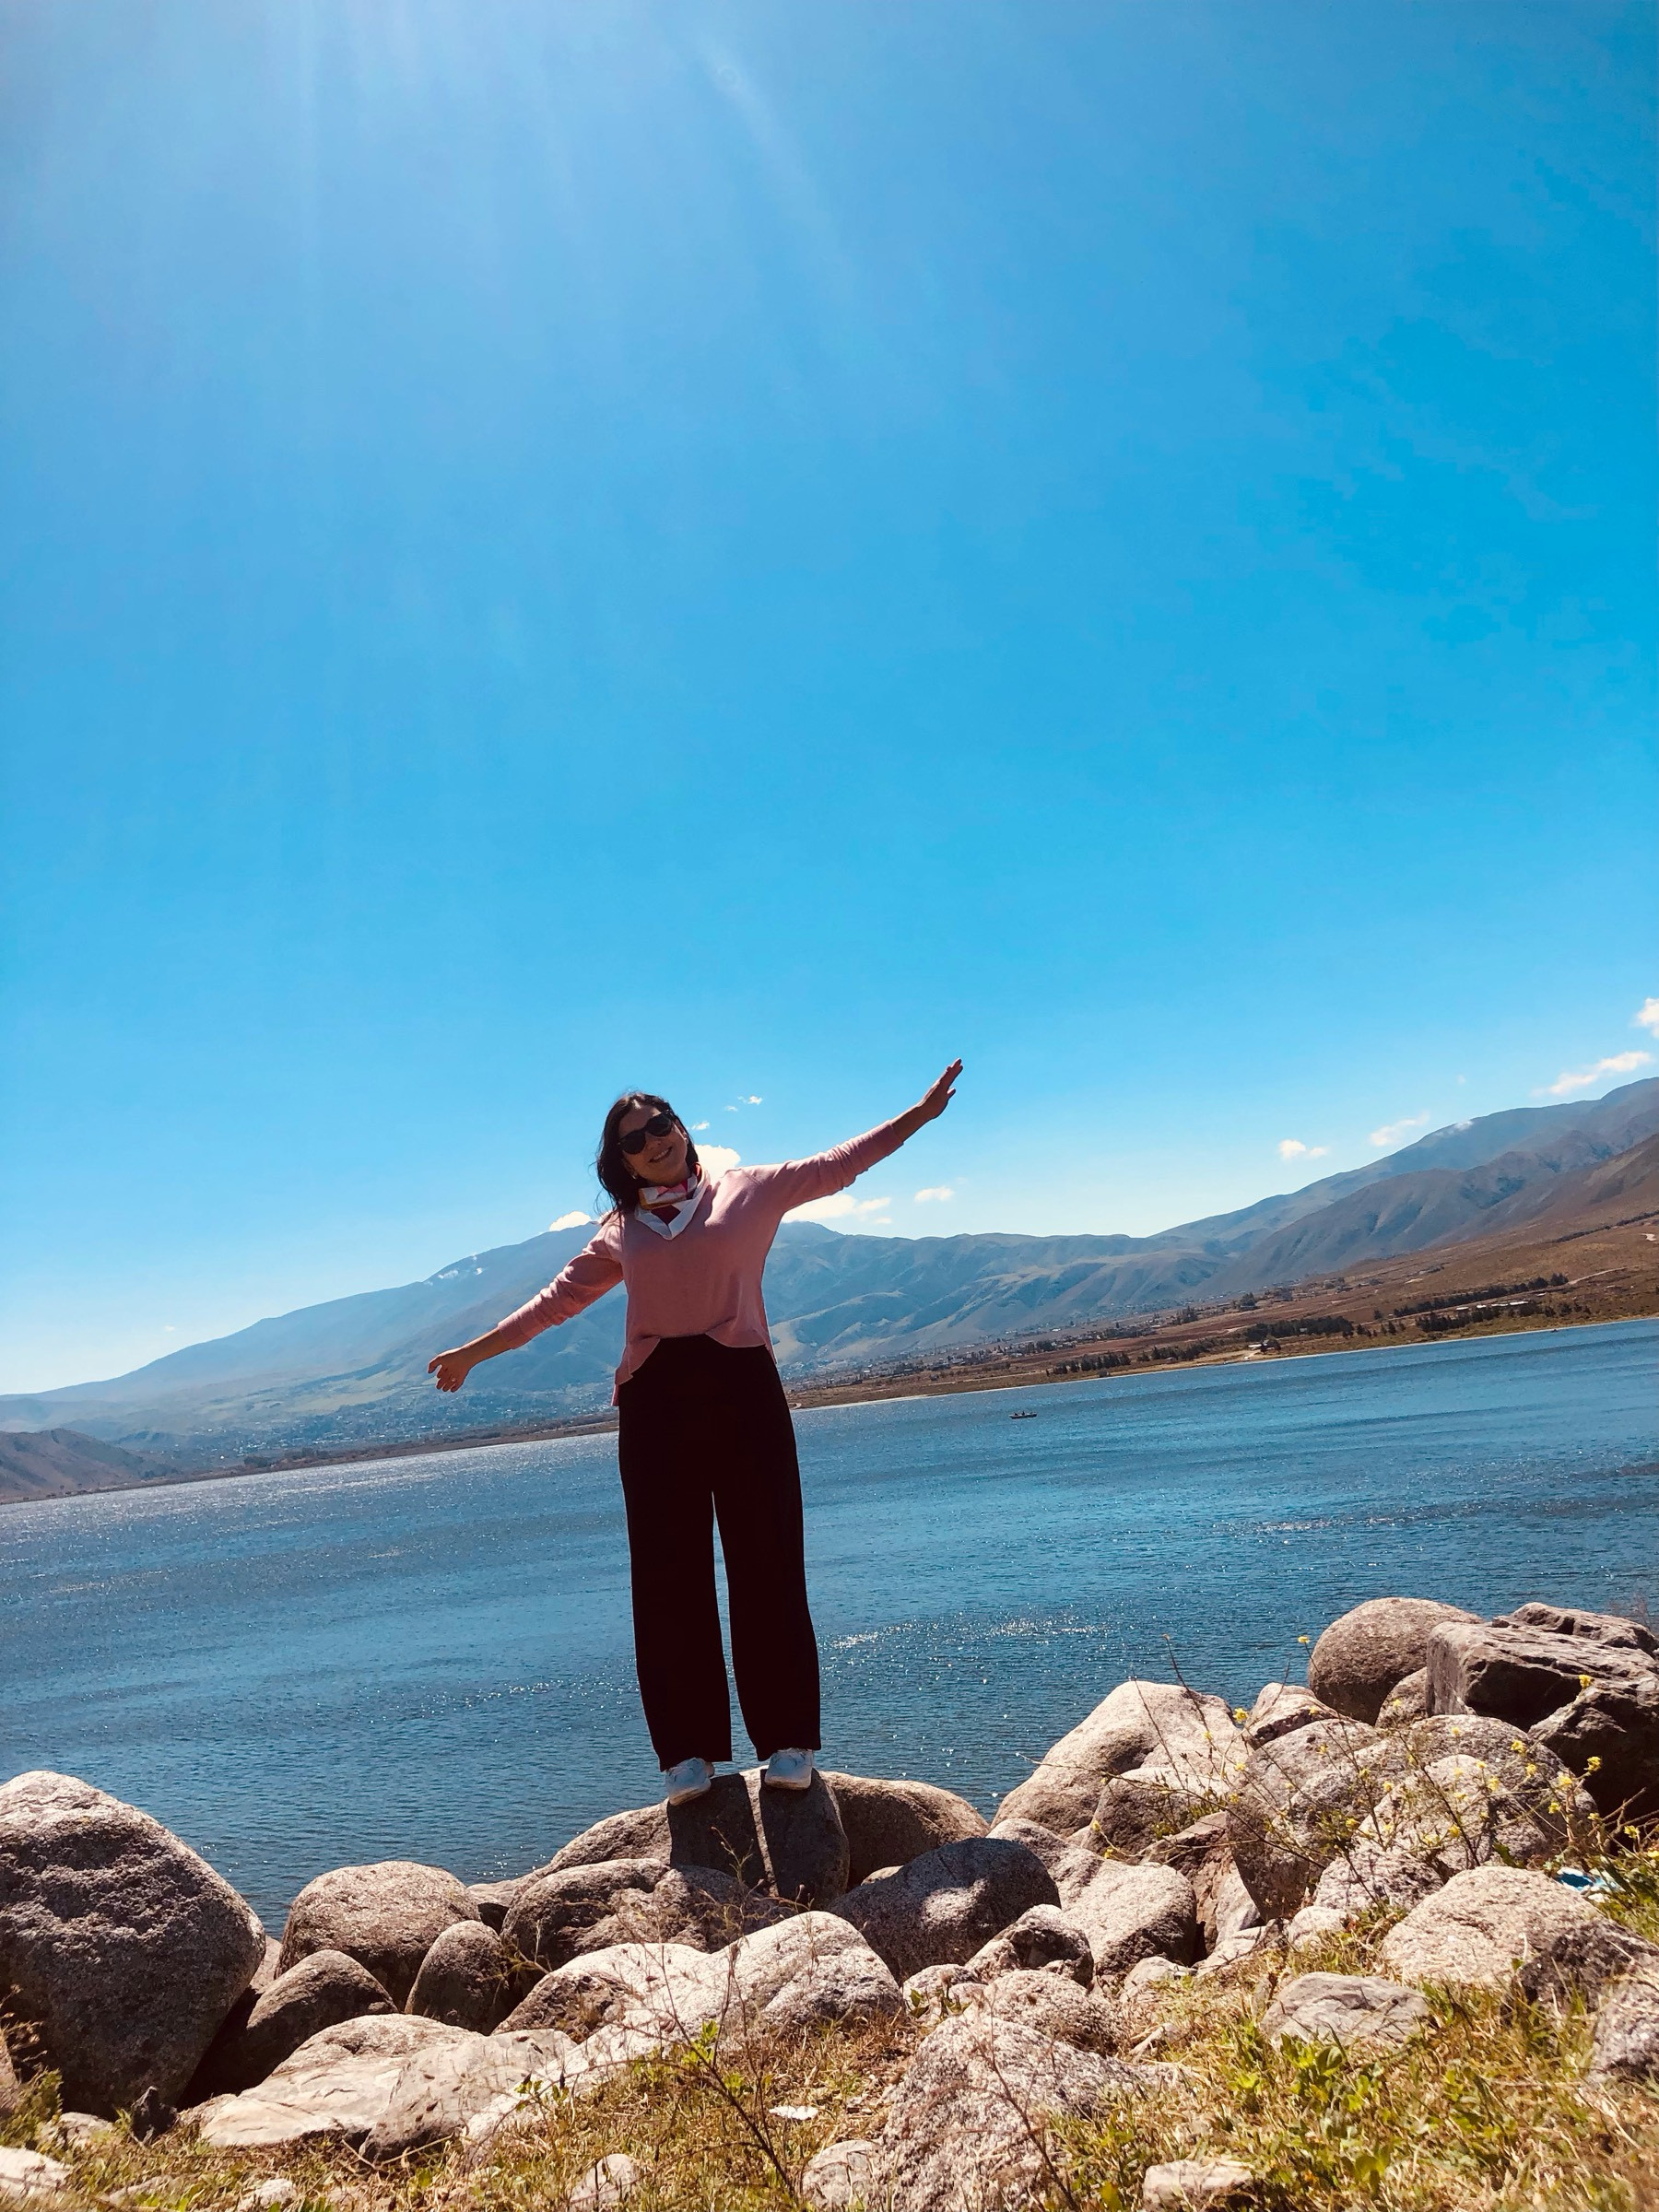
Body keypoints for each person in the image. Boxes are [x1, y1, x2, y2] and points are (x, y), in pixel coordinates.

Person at [428, 1062, 962, 1806]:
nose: (654, 1142)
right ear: (621, 1163)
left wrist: (918, 1116)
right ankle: (687, 1755)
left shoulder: (749, 1190)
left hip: (744, 1390)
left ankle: (788, 1742)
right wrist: (472, 1353)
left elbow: (841, 1163)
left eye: (661, 1125)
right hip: (655, 1405)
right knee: (666, 1577)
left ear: (681, 1128)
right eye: (634, 1140)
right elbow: (555, 1303)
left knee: (768, 1561)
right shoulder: (621, 1232)